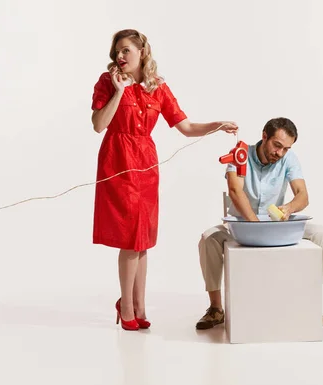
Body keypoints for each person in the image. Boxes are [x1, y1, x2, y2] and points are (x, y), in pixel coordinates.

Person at [90, 29, 238, 331]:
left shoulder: (158, 87)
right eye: (117, 51)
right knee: (130, 237)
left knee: (142, 238)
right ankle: (127, 306)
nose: (120, 56)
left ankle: (140, 306)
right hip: (118, 159)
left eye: (126, 50)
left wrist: (217, 125)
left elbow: (185, 126)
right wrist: (119, 91)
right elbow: (98, 125)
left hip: (145, 161)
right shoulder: (108, 82)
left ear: (142, 52)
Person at [196, 117, 323, 329]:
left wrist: (288, 208)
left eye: (286, 149)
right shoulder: (240, 154)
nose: (280, 153)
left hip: (275, 227)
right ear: (264, 136)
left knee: (320, 233)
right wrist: (254, 224)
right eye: (277, 145)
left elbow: (303, 196)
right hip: (240, 226)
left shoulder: (288, 159)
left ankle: (311, 304)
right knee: (208, 239)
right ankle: (215, 308)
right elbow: (235, 190)